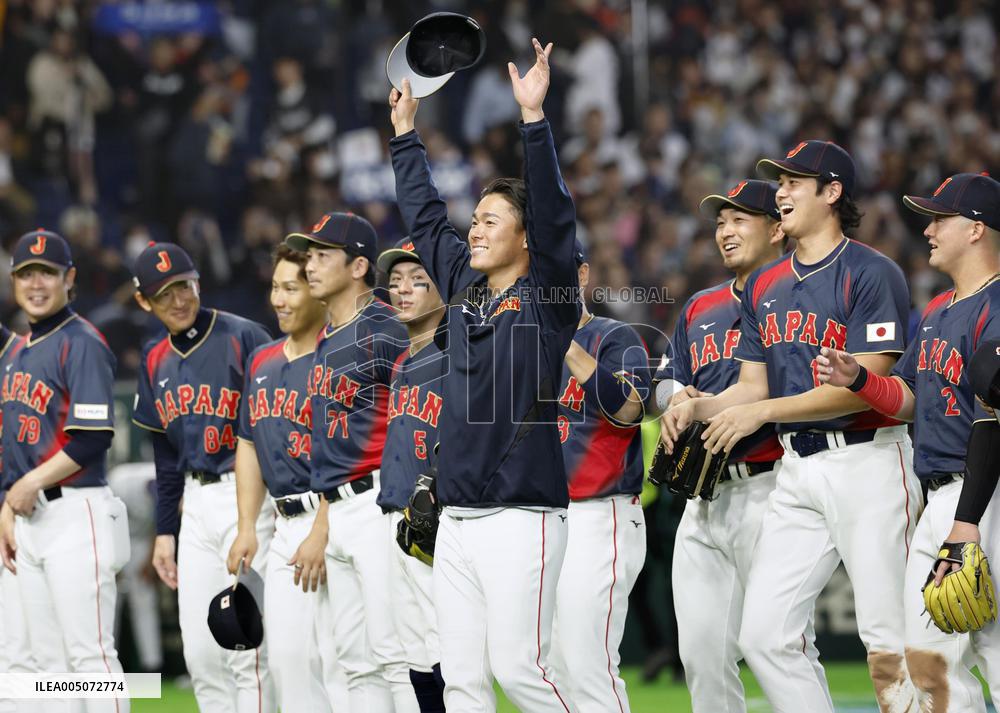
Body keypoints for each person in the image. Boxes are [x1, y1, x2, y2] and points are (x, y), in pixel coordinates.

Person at [662, 141, 922, 712]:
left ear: (832, 193)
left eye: (796, 181)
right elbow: (751, 387)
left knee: (888, 638)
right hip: (799, 471)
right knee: (764, 638)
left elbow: (864, 387)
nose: (781, 190)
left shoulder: (872, 271)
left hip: (868, 461)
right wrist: (699, 404)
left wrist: (760, 412)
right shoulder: (764, 285)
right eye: (779, 181)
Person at [389, 38, 580, 711]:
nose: (474, 229)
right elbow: (423, 218)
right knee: (463, 679)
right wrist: (405, 135)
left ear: (524, 238)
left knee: (521, 671)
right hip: (458, 517)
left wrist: (534, 121)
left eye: (491, 220)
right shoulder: (466, 292)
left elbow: (556, 218)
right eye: (476, 218)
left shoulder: (549, 297)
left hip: (523, 514)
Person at [816, 172, 1000, 710]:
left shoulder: (996, 307)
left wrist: (967, 522)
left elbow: (994, 419)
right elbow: (912, 400)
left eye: (941, 218)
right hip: (943, 497)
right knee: (927, 663)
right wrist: (859, 380)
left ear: (976, 229)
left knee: (990, 651)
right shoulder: (937, 311)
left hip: (985, 497)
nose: (929, 229)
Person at [657, 179, 831, 712]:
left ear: (777, 228)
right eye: (719, 222)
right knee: (702, 656)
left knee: (782, 646)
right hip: (702, 496)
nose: (725, 231)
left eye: (740, 219)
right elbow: (665, 379)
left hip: (771, 487)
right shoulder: (700, 305)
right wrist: (673, 396)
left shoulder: (801, 297)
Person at [130, 242, 275, 713]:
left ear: (198, 282)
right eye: (164, 292)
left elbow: (276, 426)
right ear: (143, 301)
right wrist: (165, 532)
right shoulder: (154, 358)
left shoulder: (244, 337)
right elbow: (166, 460)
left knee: (246, 644)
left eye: (184, 286)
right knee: (201, 654)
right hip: (194, 504)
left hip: (246, 495)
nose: (178, 299)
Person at [284, 212, 416, 712]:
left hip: (381, 501)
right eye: (308, 255)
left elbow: (418, 418)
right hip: (339, 508)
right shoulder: (328, 335)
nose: (309, 265)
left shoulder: (387, 328)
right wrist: (323, 521)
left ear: (359, 265)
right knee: (355, 662)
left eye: (322, 255)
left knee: (397, 654)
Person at [0, 229, 129, 713]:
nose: (36, 283)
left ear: (69, 278)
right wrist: (8, 507)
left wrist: (30, 482)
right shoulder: (16, 353)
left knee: (89, 659)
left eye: (47, 273)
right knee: (48, 668)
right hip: (29, 519)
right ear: (13, 281)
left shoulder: (83, 342)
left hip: (78, 513)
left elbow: (94, 438)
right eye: (26, 274)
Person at [226, 244, 347, 712]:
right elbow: (250, 443)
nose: (279, 299)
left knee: (340, 663)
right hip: (283, 525)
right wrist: (245, 527)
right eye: (275, 287)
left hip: (333, 514)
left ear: (317, 292)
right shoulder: (261, 361)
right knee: (288, 662)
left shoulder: (337, 356)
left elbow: (353, 453)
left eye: (291, 288)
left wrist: (322, 527)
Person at [551, 240, 649, 712]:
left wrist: (564, 344)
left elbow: (629, 410)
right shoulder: (523, 347)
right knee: (550, 668)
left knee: (588, 664)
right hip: (544, 518)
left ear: (582, 275)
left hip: (600, 515)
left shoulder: (615, 337)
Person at [376, 238, 448, 711]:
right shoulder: (402, 361)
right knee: (415, 652)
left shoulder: (461, 353)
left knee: (448, 651)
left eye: (418, 281)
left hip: (438, 523)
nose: (403, 290)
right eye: (396, 281)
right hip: (395, 515)